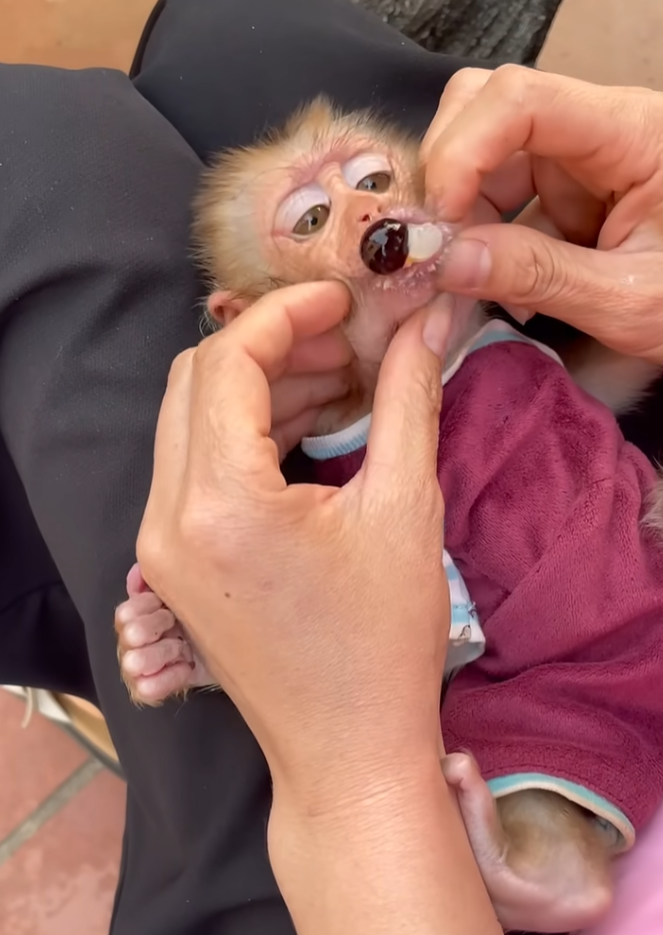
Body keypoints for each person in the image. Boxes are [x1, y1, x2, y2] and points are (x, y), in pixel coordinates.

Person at [0, 0, 659, 930]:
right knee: (227, 23)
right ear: (254, 313)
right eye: (311, 219)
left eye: (374, 179)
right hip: (560, 664)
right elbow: (396, 620)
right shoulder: (348, 479)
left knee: (46, 133)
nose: (364, 208)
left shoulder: (480, 334)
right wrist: (209, 644)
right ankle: (543, 860)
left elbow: (570, 415)